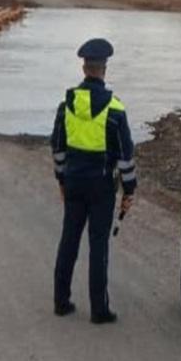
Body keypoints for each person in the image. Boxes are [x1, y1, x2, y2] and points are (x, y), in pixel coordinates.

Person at [50, 38, 136, 324]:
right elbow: (125, 156)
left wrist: (61, 179)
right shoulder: (115, 109)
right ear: (104, 69)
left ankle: (61, 301)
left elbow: (58, 148)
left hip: (73, 182)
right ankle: (99, 310)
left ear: (85, 67)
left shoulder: (66, 104)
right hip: (101, 188)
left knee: (69, 241)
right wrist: (130, 189)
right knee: (98, 246)